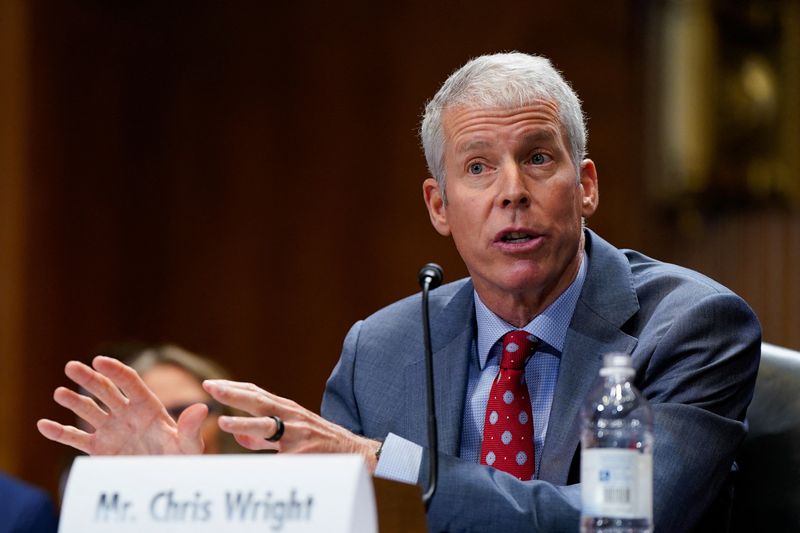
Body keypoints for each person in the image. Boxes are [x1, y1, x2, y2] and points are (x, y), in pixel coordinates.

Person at [37, 52, 760, 532]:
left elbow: (620, 520)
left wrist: (388, 465)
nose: (512, 191)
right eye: (477, 167)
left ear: (588, 184)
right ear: (439, 206)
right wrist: (195, 499)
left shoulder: (691, 326)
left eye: (538, 157)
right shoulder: (378, 352)